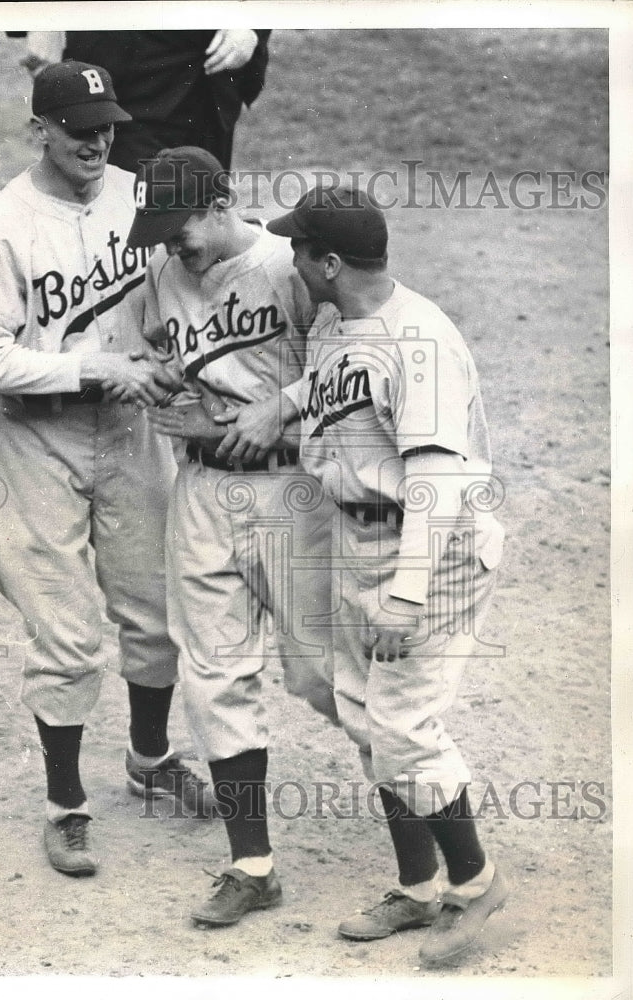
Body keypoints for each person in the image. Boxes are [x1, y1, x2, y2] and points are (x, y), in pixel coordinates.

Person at [0, 61, 216, 880]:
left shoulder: (136, 196)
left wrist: (173, 356)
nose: (97, 140)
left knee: (157, 611)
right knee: (66, 637)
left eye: (106, 125)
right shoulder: (3, 224)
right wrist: (97, 369)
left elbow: (181, 298)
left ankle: (150, 757)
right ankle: (66, 805)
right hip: (32, 443)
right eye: (78, 127)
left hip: (130, 432)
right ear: (40, 131)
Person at [253, 184, 509, 964]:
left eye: (299, 248)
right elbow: (335, 386)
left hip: (430, 549)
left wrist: (406, 596)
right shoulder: (345, 320)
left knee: (404, 728)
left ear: (329, 262)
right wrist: (283, 405)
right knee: (367, 717)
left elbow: (434, 480)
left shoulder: (419, 341)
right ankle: (418, 886)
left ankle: (476, 885)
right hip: (363, 539)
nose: (290, 258)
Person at [121, 146, 337, 926]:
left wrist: (276, 407)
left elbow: (364, 358)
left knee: (325, 675)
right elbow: (147, 344)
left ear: (220, 204)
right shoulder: (163, 273)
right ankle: (253, 865)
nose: (169, 244)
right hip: (203, 491)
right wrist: (163, 379)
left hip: (292, 491)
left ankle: (433, 825)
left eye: (178, 226)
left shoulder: (290, 264)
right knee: (214, 672)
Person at [8, 30, 271, 170]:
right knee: (120, 222)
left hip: (210, 73)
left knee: (200, 222)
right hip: (122, 69)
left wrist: (251, 21)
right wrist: (40, 15)